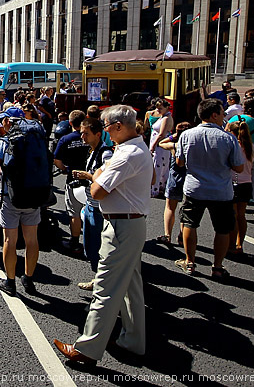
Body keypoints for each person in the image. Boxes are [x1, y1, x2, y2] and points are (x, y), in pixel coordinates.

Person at [53, 105, 152, 365]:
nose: (105, 132)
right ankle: (133, 340)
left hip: (120, 225)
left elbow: (97, 191)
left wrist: (97, 175)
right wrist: (100, 175)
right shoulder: (137, 148)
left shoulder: (126, 154)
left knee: (105, 288)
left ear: (118, 126)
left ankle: (86, 349)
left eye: (107, 127)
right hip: (131, 222)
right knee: (131, 286)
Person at [175, 98, 244, 278]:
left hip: (194, 188)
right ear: (214, 115)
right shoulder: (228, 138)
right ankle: (218, 267)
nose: (224, 117)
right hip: (221, 190)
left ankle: (190, 262)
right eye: (222, 114)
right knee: (222, 229)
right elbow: (238, 167)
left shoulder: (187, 135)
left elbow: (179, 162)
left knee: (190, 223)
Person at [0, 107, 45, 296]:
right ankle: (29, 279)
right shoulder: (36, 139)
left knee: (9, 240)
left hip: (11, 197)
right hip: (34, 194)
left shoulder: (4, 142)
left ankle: (10, 281)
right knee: (32, 240)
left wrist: (4, 175)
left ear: (8, 122)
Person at [71, 117, 114, 291]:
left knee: (98, 248)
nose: (82, 137)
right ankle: (99, 278)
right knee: (90, 248)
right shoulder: (92, 150)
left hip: (99, 208)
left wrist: (87, 176)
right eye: (81, 133)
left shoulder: (106, 153)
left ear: (98, 134)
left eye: (86, 133)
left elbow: (106, 180)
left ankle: (102, 283)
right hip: (90, 204)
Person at [53, 110, 89, 254]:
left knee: (74, 213)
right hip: (91, 177)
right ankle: (93, 240)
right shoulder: (92, 137)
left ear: (69, 123)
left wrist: (65, 169)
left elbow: (57, 160)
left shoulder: (66, 139)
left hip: (73, 178)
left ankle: (74, 242)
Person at [155, 121, 190, 246]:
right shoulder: (191, 146)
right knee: (185, 209)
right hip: (188, 178)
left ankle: (167, 234)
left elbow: (161, 143)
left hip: (175, 178)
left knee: (170, 207)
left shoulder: (175, 145)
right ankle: (182, 235)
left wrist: (174, 135)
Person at [226, 120, 254, 256]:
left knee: (232, 216)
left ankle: (231, 244)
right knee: (241, 215)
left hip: (233, 182)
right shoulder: (251, 147)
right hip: (247, 183)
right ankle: (239, 243)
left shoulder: (233, 147)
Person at [148, 98, 173, 198]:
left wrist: (153, 146)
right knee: (160, 165)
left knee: (157, 166)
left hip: (159, 146)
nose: (157, 110)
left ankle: (156, 188)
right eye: (157, 108)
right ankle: (160, 186)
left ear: (166, 108)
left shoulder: (166, 118)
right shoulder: (163, 117)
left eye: (160, 108)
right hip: (158, 144)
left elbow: (161, 134)